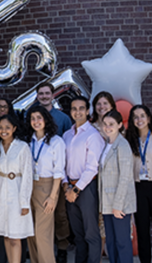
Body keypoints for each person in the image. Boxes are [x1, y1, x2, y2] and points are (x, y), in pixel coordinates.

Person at [61, 96, 104, 263]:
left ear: (87, 111)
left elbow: (93, 168)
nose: (77, 112)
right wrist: (66, 187)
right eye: (74, 108)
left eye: (81, 108)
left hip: (86, 188)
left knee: (91, 233)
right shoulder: (66, 135)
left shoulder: (93, 135)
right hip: (69, 188)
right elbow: (62, 164)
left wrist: (76, 189)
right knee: (78, 234)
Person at [124, 105, 152, 263]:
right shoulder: (129, 139)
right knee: (142, 230)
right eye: (135, 117)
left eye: (142, 116)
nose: (139, 119)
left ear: (149, 118)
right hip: (138, 188)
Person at [0, 114, 33, 263]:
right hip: (0, 193)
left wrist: (25, 202)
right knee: (5, 236)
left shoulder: (22, 147)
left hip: (17, 193)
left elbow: (27, 175)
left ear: (14, 128)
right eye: (0, 127)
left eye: (7, 127)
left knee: (15, 237)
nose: (4, 130)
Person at [24, 106, 65, 263]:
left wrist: (53, 196)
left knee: (43, 233)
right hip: (29, 187)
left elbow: (59, 172)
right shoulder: (28, 141)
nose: (36, 121)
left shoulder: (56, 142)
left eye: (39, 117)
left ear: (46, 119)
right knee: (31, 232)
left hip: (47, 187)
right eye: (33, 118)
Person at [98, 110, 136, 263]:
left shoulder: (123, 145)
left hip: (119, 204)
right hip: (107, 203)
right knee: (111, 242)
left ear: (120, 125)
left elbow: (125, 177)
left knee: (122, 242)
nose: (107, 127)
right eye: (105, 124)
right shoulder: (107, 144)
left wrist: (118, 205)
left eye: (111, 124)